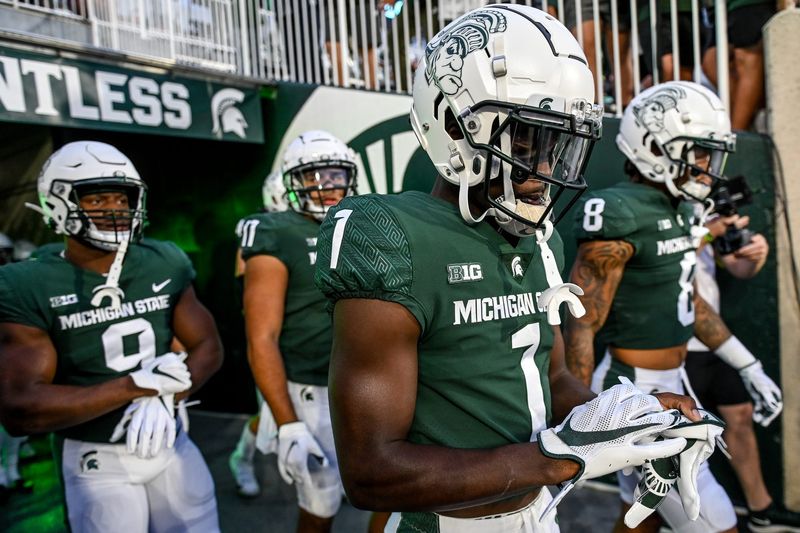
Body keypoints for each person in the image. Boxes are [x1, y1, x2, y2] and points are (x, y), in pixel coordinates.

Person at [314, 6, 717, 532]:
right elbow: (371, 472)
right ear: (454, 123)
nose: (546, 171)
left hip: (537, 514)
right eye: (527, 141)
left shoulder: (534, 240)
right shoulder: (390, 236)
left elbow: (549, 381)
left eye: (559, 145)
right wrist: (558, 458)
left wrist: (629, 421)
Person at [563, 80, 764, 533]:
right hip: (633, 386)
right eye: (694, 152)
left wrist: (747, 363)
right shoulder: (619, 211)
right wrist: (577, 412)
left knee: (643, 515)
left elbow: (686, 296)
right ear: (653, 147)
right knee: (716, 522)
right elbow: (582, 322)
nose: (704, 166)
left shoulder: (679, 208)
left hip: (675, 383)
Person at [0, 141, 223, 532]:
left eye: (122, 199)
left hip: (171, 443)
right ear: (58, 202)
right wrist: (135, 387)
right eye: (97, 198)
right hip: (96, 459)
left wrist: (172, 392)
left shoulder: (164, 259)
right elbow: (21, 408)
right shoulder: (28, 283)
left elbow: (209, 346)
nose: (115, 210)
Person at [242, 130, 357, 532]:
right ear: (293, 181)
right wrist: (287, 421)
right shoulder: (278, 232)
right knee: (320, 502)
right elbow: (261, 337)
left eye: (335, 175)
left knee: (398, 493)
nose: (327, 187)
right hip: (313, 388)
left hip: (371, 379)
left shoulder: (363, 223)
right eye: (314, 177)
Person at [685, 210, 800, 531]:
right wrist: (708, 231)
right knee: (682, 437)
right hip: (672, 345)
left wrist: (755, 255)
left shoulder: (703, 208)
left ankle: (761, 512)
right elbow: (673, 262)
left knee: (740, 415)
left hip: (715, 341)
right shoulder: (660, 209)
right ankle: (682, 517)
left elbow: (738, 266)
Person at [228, 170, 289, 499]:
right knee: (272, 413)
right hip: (277, 334)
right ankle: (243, 457)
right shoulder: (259, 234)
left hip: (312, 334)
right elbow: (246, 297)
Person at [702, 0, 776, 130]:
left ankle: (736, 135)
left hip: (752, 4)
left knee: (747, 58)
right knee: (711, 61)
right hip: (727, 6)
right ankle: (747, 120)